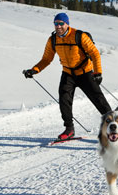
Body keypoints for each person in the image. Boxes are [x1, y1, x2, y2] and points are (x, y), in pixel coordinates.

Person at [23, 12, 111, 140]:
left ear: (67, 24)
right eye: (55, 24)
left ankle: (113, 124)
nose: (58, 27)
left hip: (85, 72)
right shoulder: (53, 40)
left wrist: (97, 72)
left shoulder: (79, 36)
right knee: (64, 99)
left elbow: (95, 53)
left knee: (98, 99)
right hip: (68, 73)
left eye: (61, 24)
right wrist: (34, 70)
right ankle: (69, 129)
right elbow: (47, 59)